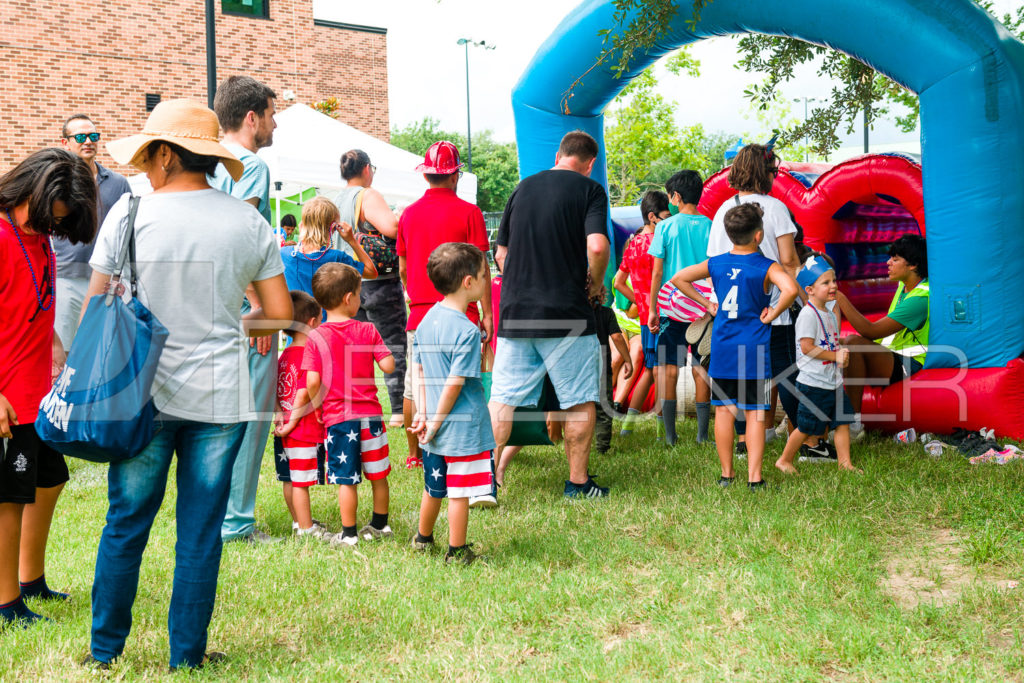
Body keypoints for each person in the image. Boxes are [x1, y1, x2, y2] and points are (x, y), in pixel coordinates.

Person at [84, 99, 291, 669]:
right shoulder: (246, 221)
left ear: (169, 156)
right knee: (199, 534)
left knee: (126, 523)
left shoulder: (128, 215)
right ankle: (187, 657)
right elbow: (276, 313)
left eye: (151, 155)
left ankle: (104, 652)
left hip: (139, 398)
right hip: (220, 397)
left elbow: (97, 306)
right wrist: (229, 320)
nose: (147, 167)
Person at [0, 148, 96, 628]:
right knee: (9, 498)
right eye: (48, 219)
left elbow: (31, 299)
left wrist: (55, 338)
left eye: (59, 224)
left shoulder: (35, 239)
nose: (51, 230)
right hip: (8, 399)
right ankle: (6, 603)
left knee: (50, 480)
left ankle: (30, 578)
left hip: (37, 392)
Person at [490, 130, 611, 500]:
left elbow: (501, 255)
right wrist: (595, 284)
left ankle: (484, 481)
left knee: (503, 398)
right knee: (578, 399)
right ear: (590, 164)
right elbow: (597, 244)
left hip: (516, 313)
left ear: (558, 155)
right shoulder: (589, 190)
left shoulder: (522, 189)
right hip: (568, 315)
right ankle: (577, 483)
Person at [672, 203, 799, 490]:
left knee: (725, 411)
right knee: (755, 413)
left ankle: (727, 475)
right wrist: (774, 312)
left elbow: (678, 278)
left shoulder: (716, 263)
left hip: (724, 347)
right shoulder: (767, 265)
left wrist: (707, 304)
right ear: (758, 235)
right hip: (754, 348)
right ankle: (754, 478)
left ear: (730, 235)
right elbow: (790, 289)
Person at [208, 75, 283, 545]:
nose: (275, 124)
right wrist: (260, 308)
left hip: (208, 310)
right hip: (245, 312)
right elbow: (244, 238)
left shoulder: (204, 161)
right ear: (252, 117)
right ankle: (237, 522)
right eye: (273, 114)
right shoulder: (250, 165)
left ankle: (217, 517)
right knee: (250, 420)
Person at [398, 141, 492, 471]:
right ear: (455, 176)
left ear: (426, 176)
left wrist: (415, 293)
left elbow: (403, 266)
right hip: (461, 314)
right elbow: (482, 266)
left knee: (416, 383)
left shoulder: (408, 214)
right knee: (463, 384)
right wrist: (488, 312)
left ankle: (415, 452)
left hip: (421, 315)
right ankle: (461, 449)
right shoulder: (470, 212)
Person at [708, 139, 801, 452]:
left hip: (733, 314)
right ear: (768, 170)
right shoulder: (774, 208)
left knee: (739, 378)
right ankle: (808, 438)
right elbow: (789, 261)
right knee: (785, 370)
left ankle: (744, 440)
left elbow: (713, 262)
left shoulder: (723, 209)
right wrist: (802, 296)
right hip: (772, 307)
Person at [409, 243, 495, 565]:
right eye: (485, 276)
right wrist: (436, 421)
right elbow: (455, 383)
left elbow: (417, 369)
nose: (488, 281)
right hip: (461, 429)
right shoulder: (467, 331)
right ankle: (457, 551)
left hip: (433, 426)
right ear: (468, 283)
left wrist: (423, 414)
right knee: (459, 492)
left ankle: (423, 537)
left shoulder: (428, 317)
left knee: (433, 486)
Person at [303, 263, 395, 547]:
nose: (360, 299)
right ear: (348, 298)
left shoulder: (316, 337)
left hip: (338, 419)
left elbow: (312, 383)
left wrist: (318, 407)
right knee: (378, 475)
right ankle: (381, 525)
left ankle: (349, 534)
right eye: (359, 294)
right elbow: (389, 365)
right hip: (371, 418)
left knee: (347, 479)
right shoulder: (368, 330)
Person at [334, 149, 407, 429]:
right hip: (378, 282)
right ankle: (399, 409)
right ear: (366, 169)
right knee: (393, 345)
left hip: (348, 284)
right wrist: (400, 215)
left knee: (355, 350)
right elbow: (391, 228)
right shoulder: (368, 194)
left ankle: (356, 406)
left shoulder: (338, 198)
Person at [837, 234, 929, 438]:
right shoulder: (904, 287)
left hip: (911, 363)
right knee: (839, 344)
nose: (888, 262)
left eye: (895, 259)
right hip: (893, 355)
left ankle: (853, 424)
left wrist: (840, 297)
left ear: (913, 265)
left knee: (852, 343)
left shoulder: (921, 297)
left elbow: (871, 331)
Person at [53, 114, 131, 353]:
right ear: (65, 143)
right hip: (66, 278)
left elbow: (128, 231)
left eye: (93, 136)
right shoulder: (56, 182)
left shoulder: (118, 183)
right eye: (80, 137)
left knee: (104, 348)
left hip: (108, 280)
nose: (88, 141)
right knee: (65, 350)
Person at [775, 257, 860, 474]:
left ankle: (845, 463)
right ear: (810, 290)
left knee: (841, 422)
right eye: (826, 283)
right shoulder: (807, 315)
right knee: (806, 426)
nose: (833, 286)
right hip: (814, 383)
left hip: (832, 381)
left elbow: (829, 341)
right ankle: (784, 460)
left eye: (834, 281)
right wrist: (835, 356)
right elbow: (806, 347)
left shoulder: (829, 313)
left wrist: (839, 352)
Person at [648, 171, 714, 445]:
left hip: (671, 307)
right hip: (702, 307)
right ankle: (702, 436)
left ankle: (670, 437)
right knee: (701, 370)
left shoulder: (665, 227)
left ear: (675, 196)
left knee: (668, 369)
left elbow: (657, 272)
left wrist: (653, 308)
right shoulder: (710, 225)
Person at [274, 291, 330, 539]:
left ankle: (298, 522)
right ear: (312, 322)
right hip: (302, 431)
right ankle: (307, 529)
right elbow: (305, 392)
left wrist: (280, 417)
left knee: (289, 478)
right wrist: (292, 423)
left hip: (283, 429)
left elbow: (275, 389)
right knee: (300, 483)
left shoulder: (283, 356)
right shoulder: (310, 355)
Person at [613, 190, 669, 438]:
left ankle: (627, 426)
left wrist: (642, 301)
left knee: (649, 369)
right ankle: (662, 431)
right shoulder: (661, 243)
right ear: (652, 216)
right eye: (665, 217)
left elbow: (618, 282)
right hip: (662, 314)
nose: (667, 222)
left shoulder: (633, 244)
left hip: (646, 316)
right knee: (661, 372)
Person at [281, 195, 377, 303]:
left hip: (293, 319)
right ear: (333, 228)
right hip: (325, 319)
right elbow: (371, 272)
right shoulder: (337, 258)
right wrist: (352, 240)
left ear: (302, 224)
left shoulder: (284, 254)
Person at [591, 285, 632, 453]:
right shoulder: (606, 313)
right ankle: (601, 447)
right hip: (600, 365)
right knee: (603, 408)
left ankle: (577, 444)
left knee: (579, 407)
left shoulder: (575, 312)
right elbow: (617, 337)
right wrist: (628, 360)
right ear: (602, 295)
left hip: (577, 364)